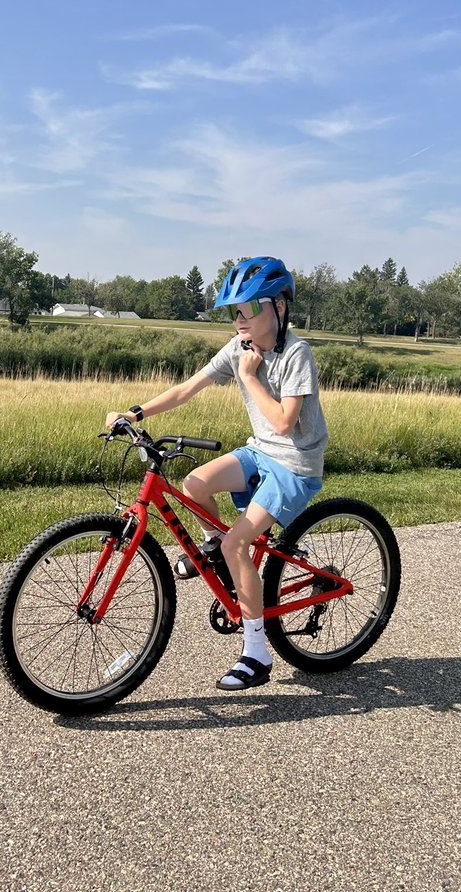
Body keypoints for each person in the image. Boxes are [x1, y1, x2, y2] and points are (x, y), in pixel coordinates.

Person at [104, 256, 327, 691]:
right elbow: (189, 387)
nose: (239, 319)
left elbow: (285, 423)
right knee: (195, 483)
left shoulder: (297, 354)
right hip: (261, 452)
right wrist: (136, 411)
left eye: (248, 308)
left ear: (279, 307)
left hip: (295, 465)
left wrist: (251, 377)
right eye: (234, 310)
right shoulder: (238, 347)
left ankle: (257, 654)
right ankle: (220, 553)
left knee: (239, 542)